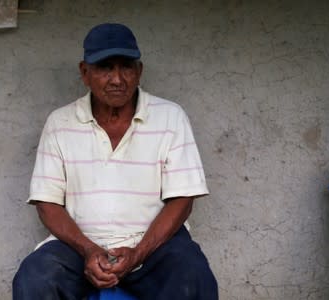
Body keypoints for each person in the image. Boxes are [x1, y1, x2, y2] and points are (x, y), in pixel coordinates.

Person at [13, 23, 218, 300]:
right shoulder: (60, 123)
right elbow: (47, 203)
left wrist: (138, 253)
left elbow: (182, 200)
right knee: (35, 277)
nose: (118, 79)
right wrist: (89, 250)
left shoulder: (170, 117)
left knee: (192, 274)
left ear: (140, 71)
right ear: (85, 73)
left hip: (154, 247)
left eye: (127, 67)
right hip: (79, 248)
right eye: (105, 67)